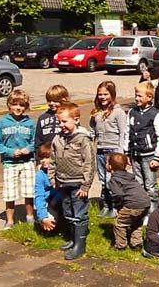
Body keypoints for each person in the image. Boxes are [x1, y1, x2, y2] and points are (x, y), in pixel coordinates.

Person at [49, 102, 96, 260]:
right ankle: (72, 238)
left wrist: (86, 185)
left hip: (78, 184)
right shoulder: (58, 139)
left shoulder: (83, 139)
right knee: (68, 212)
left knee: (79, 214)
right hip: (62, 182)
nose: (61, 125)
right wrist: (52, 178)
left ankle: (80, 245)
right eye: (59, 122)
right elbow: (52, 160)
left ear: (76, 120)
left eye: (64, 121)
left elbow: (90, 163)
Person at [0, 90, 36, 230]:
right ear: (9, 105)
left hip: (27, 161)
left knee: (29, 191)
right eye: (14, 104)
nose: (18, 108)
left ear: (26, 106)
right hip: (9, 163)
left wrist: (28, 149)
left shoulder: (29, 123)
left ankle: (30, 216)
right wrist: (10, 152)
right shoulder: (2, 123)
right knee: (10, 192)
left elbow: (35, 141)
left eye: (22, 105)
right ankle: (10, 220)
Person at [124, 81, 159, 213]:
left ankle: (153, 210)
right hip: (135, 154)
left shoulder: (156, 114)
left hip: (149, 155)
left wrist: (157, 156)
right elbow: (127, 132)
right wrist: (127, 151)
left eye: (140, 96)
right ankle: (142, 207)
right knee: (138, 182)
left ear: (149, 97)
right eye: (136, 95)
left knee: (150, 185)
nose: (137, 98)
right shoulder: (132, 112)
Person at [90, 81, 127, 219]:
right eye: (100, 94)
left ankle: (115, 206)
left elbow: (123, 132)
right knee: (102, 179)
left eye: (105, 94)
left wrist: (120, 152)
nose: (102, 97)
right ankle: (105, 205)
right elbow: (92, 129)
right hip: (100, 150)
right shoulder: (97, 112)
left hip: (113, 151)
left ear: (112, 95)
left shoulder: (118, 112)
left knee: (111, 180)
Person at [105, 152, 150, 250]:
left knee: (119, 223)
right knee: (136, 223)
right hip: (145, 203)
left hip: (133, 205)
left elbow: (118, 195)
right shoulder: (129, 176)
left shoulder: (114, 179)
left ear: (110, 166)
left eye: (106, 163)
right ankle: (136, 243)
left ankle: (120, 245)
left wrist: (118, 206)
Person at [34, 142, 62, 232]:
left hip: (60, 201)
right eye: (41, 158)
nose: (43, 160)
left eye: (47, 157)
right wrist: (43, 217)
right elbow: (39, 195)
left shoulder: (61, 171)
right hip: (48, 204)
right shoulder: (40, 175)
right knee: (48, 219)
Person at [34, 85, 69, 154]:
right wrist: (38, 155)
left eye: (55, 101)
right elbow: (38, 139)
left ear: (63, 100)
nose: (52, 103)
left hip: (64, 153)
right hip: (47, 154)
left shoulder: (68, 116)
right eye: (49, 101)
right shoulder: (43, 117)